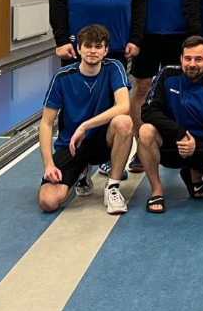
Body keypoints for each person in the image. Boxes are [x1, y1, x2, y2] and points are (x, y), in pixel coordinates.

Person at [56, 0, 202, 172]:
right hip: (146, 31)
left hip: (180, 29)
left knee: (180, 89)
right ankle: (139, 145)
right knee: (141, 87)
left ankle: (180, 142)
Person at [37, 24, 133, 215]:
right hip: (72, 145)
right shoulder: (62, 77)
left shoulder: (114, 67)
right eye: (88, 46)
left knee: (124, 122)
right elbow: (46, 124)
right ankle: (80, 171)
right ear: (79, 49)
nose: (93, 51)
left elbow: (124, 106)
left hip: (102, 142)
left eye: (98, 46)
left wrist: (85, 126)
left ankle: (112, 187)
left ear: (106, 50)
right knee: (48, 202)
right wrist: (48, 164)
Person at [137, 35, 203, 213]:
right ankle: (157, 190)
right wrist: (179, 132)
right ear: (181, 58)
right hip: (169, 146)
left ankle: (193, 172)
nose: (192, 64)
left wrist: (195, 147)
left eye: (198, 59)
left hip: (198, 149)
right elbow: (148, 111)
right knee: (146, 131)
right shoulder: (167, 75)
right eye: (188, 58)